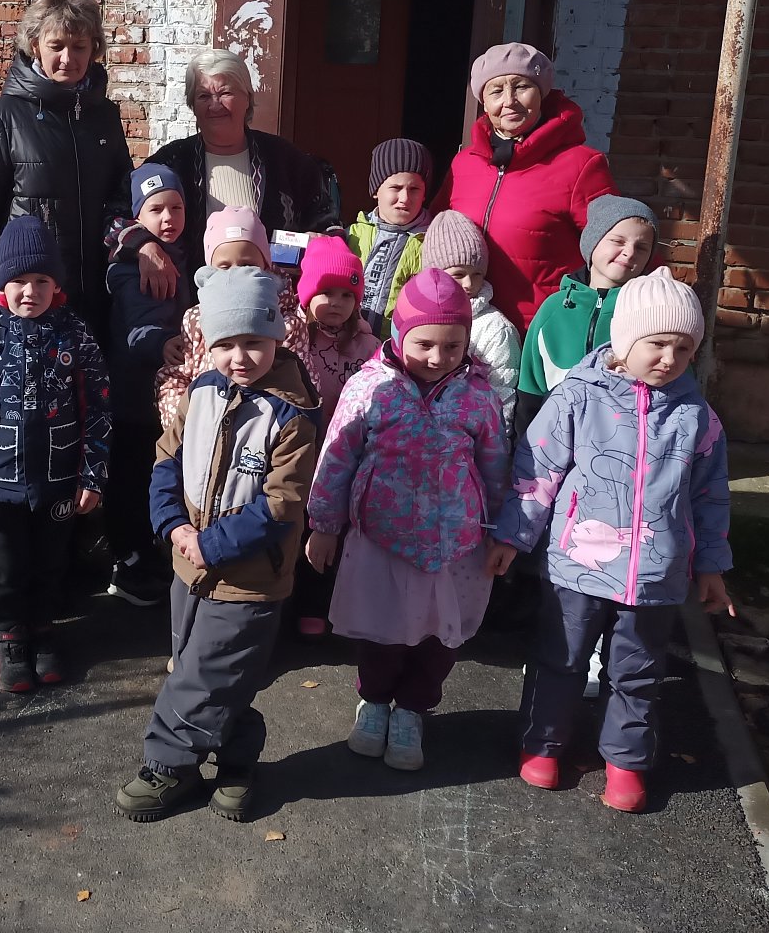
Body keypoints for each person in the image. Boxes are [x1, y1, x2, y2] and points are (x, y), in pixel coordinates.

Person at [490, 267, 732, 813]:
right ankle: (543, 744)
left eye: (684, 348)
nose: (669, 358)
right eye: (657, 344)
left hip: (656, 574)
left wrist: (711, 566)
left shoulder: (697, 417)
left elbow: (710, 496)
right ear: (625, 342)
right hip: (579, 564)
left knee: (637, 672)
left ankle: (626, 761)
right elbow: (538, 470)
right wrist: (512, 535)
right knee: (560, 657)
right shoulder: (579, 397)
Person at [114, 266, 320, 822]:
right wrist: (174, 526)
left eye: (253, 341)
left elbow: (281, 503)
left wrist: (214, 544)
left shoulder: (293, 414)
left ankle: (168, 766)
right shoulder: (202, 391)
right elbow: (167, 457)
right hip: (189, 566)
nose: (239, 357)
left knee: (200, 677)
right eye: (226, 344)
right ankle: (237, 759)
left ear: (276, 336)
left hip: (250, 578)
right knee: (207, 669)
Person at [305, 269, 509, 771]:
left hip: (455, 545)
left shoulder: (478, 394)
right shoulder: (369, 387)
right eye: (425, 344)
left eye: (453, 346)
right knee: (383, 631)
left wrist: (502, 532)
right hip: (382, 538)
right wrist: (324, 525)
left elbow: (494, 464)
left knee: (439, 636)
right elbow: (336, 458)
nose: (438, 358)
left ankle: (414, 708)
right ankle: (374, 701)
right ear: (399, 335)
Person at [0, 216, 111, 693]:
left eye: (41, 281)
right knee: (8, 565)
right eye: (19, 281)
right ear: (2, 284)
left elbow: (98, 407)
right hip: (0, 482)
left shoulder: (74, 334)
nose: (30, 292)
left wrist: (92, 475)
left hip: (59, 477)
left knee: (51, 560)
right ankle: (10, 634)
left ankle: (43, 627)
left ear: (56, 284)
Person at [110, 47, 338, 298]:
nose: (215, 104)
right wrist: (145, 246)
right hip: (188, 306)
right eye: (203, 96)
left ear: (247, 98)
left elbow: (330, 226)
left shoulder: (285, 159)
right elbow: (116, 215)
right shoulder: (171, 163)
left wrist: (316, 247)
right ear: (192, 104)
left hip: (273, 307)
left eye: (225, 93)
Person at [0, 0, 134, 334]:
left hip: (99, 287)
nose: (67, 58)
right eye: (56, 46)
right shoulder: (4, 116)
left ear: (94, 48)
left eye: (79, 47)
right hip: (34, 293)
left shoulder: (105, 115)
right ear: (35, 46)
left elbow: (123, 190)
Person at [431, 43, 618, 333]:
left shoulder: (581, 165)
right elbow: (433, 236)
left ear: (541, 93)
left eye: (521, 87)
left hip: (541, 332)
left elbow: (619, 246)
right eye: (496, 91)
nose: (509, 101)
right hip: (465, 330)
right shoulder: (464, 164)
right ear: (484, 103)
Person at [103, 163, 193, 608]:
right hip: (134, 396)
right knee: (132, 477)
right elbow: (136, 328)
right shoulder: (129, 268)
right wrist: (162, 343)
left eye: (176, 208)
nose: (168, 218)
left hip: (160, 394)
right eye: (156, 209)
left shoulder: (181, 256)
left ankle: (146, 550)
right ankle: (128, 560)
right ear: (137, 217)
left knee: (152, 474)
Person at [291, 234, 378, 640]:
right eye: (326, 292)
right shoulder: (294, 339)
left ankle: (317, 602)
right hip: (300, 452)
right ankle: (290, 599)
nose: (337, 303)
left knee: (330, 531)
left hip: (345, 456)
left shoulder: (368, 344)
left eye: (347, 294)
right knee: (295, 526)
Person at [153, 206, 309, 430]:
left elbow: (301, 387)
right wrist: (188, 425)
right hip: (206, 430)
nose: (236, 273)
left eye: (247, 265)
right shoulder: (196, 319)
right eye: (224, 267)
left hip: (263, 433)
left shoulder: (287, 324)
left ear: (266, 265)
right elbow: (178, 377)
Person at [517, 195, 659, 438]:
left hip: (622, 444)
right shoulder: (554, 309)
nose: (629, 252)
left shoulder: (649, 311)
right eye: (618, 241)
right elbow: (530, 386)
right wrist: (524, 445)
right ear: (593, 242)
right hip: (554, 440)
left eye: (642, 247)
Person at [419, 210, 520, 433]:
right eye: (458, 274)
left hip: (470, 441)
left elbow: (502, 398)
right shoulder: (415, 317)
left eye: (477, 274)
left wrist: (493, 445)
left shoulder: (496, 329)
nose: (469, 284)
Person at [347, 138, 433, 337]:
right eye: (395, 188)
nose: (405, 198)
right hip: (346, 343)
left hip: (397, 347)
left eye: (414, 189)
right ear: (376, 190)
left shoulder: (431, 243)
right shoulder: (351, 235)